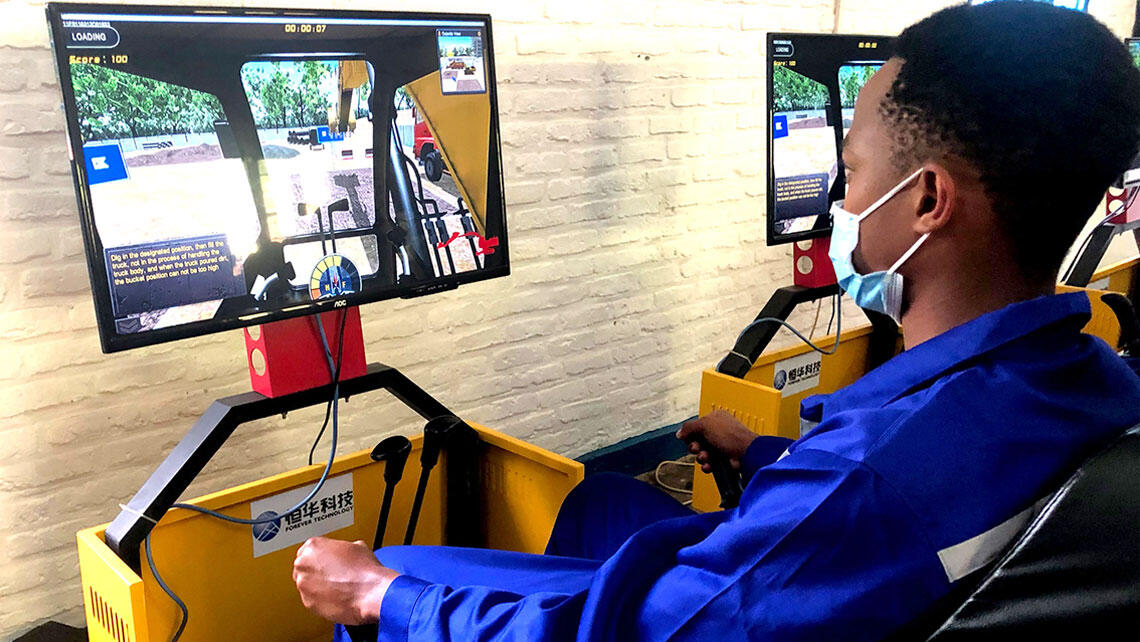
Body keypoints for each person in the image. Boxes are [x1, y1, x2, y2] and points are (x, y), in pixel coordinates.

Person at [293, 3, 1140, 640]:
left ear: (925, 200)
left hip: (713, 607)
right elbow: (893, 511)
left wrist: (381, 597)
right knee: (601, 500)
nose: (840, 205)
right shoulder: (1100, 378)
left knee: (390, 575)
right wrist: (772, 460)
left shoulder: (859, 486)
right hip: (819, 567)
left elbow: (654, 629)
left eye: (849, 173)